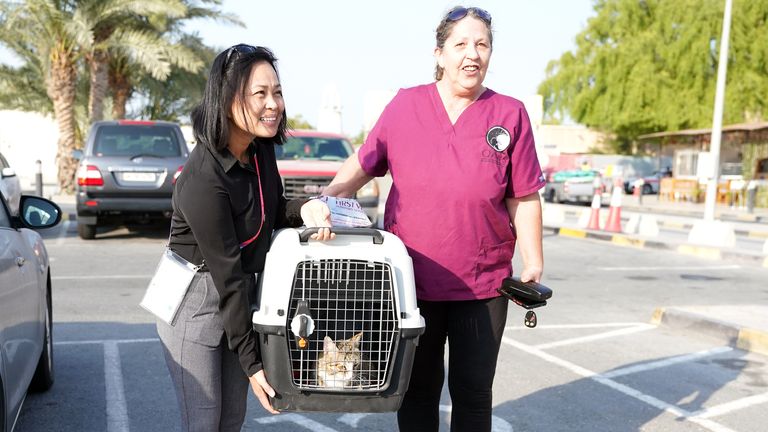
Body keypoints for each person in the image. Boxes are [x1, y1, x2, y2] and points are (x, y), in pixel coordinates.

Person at [320, 6, 545, 432]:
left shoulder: (510, 113)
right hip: (410, 281)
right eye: (461, 44)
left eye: (482, 44)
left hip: (484, 283)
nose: (472, 54)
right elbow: (364, 162)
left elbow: (524, 194)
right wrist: (324, 200)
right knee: (418, 389)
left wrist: (533, 260)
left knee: (474, 392)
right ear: (439, 53)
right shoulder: (406, 105)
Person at [156, 44, 332, 432]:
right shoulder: (203, 179)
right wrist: (253, 363)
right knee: (204, 421)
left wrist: (305, 208)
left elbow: (269, 207)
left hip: (237, 292)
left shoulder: (259, 149)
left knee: (231, 420)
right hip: (193, 299)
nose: (274, 104)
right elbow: (228, 276)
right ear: (228, 98)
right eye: (260, 94)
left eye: (278, 92)